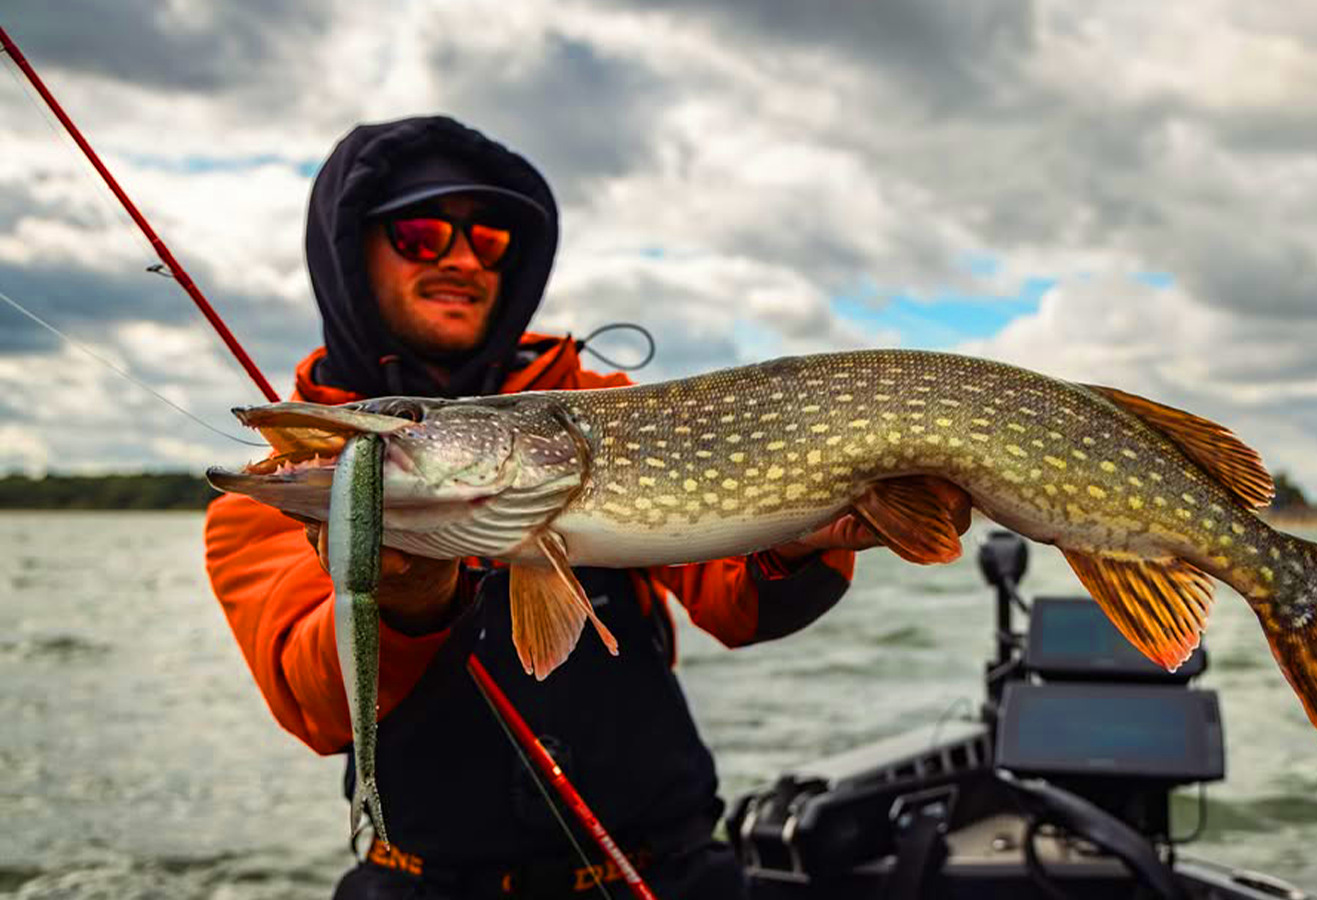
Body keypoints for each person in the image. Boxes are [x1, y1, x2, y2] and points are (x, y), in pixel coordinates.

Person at [203, 115, 970, 899]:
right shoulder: (301, 473)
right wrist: (408, 597)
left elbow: (734, 605)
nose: (462, 260)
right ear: (348, 256)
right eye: (424, 234)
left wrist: (806, 544)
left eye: (491, 242)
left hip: (663, 870)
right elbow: (316, 709)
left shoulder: (603, 413)